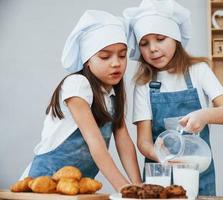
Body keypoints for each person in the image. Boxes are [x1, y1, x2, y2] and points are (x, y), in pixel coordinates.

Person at [123, 0, 223, 196]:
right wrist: (164, 158)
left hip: (198, 174)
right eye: (144, 43)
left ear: (175, 38)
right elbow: (143, 142)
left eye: (160, 38)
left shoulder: (198, 71)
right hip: (158, 177)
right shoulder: (144, 83)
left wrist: (204, 115)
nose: (152, 48)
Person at [21, 10, 142, 191]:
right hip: (41, 185)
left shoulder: (112, 96)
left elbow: (124, 143)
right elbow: (96, 145)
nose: (116, 63)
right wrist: (126, 190)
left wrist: (139, 185)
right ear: (87, 61)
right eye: (104, 56)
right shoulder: (77, 85)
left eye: (122, 55)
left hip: (76, 189)